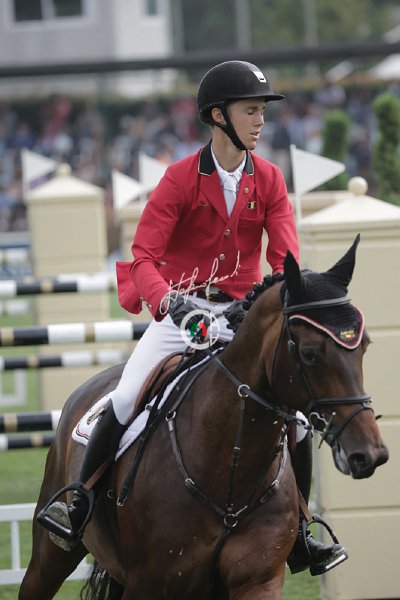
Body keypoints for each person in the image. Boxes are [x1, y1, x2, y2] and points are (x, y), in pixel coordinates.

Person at [38, 60, 347, 576]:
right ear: (218, 116)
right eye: (251, 111)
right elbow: (143, 257)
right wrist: (171, 304)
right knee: (125, 396)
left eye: (262, 112)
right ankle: (80, 502)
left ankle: (301, 527)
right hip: (180, 313)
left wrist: (265, 305)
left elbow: (283, 262)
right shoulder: (180, 178)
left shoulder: (269, 179)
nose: (260, 121)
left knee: (294, 419)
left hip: (242, 315)